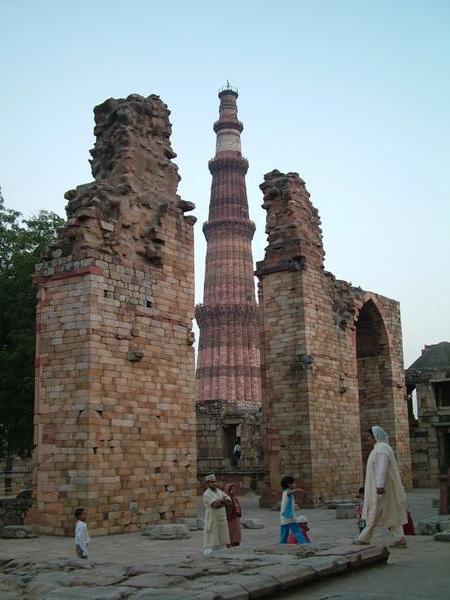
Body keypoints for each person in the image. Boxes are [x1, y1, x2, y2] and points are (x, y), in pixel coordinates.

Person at [354, 426, 408, 547]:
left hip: (381, 488)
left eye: (369, 437)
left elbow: (382, 468)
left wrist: (379, 485)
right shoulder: (379, 449)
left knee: (374, 511)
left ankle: (364, 538)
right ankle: (399, 537)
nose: (368, 439)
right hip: (380, 488)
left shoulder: (382, 450)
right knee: (388, 511)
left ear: (375, 437)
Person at [203, 474, 231, 555]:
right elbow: (215, 505)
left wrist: (221, 501)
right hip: (212, 520)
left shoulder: (219, 491)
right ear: (207, 484)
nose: (214, 483)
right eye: (211, 482)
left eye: (215, 482)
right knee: (212, 541)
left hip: (222, 519)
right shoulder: (206, 493)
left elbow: (228, 501)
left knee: (223, 540)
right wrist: (223, 501)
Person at [279, 475, 310, 544]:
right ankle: (303, 543)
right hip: (288, 516)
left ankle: (282, 544)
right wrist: (297, 490)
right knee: (296, 531)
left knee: (285, 532)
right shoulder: (287, 492)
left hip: (285, 516)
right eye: (293, 483)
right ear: (289, 484)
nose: (294, 485)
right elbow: (289, 493)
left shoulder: (285, 493)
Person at [224, 482, 242, 546]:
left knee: (237, 530)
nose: (233, 491)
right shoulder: (226, 498)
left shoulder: (235, 498)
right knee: (230, 530)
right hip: (229, 517)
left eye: (234, 489)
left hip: (236, 516)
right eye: (231, 490)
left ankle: (236, 541)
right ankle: (230, 542)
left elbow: (237, 506)